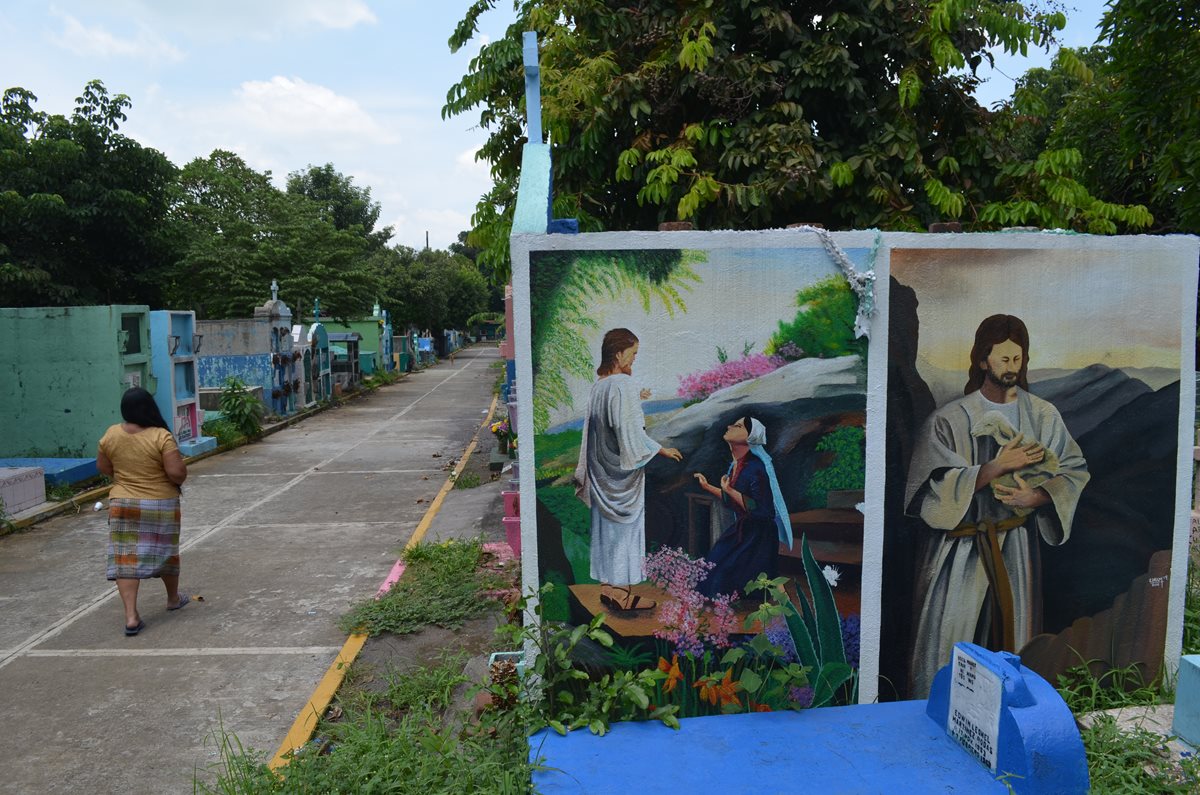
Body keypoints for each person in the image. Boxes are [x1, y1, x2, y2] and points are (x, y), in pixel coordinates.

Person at [904, 314, 1089, 696]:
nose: (1012, 368)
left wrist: (1036, 497)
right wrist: (995, 467)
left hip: (1015, 547)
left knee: (1014, 643)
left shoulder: (1041, 415)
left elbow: (1073, 470)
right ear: (983, 359)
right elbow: (930, 490)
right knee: (947, 647)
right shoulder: (949, 419)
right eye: (1003, 359)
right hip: (959, 551)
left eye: (1017, 359)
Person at [574, 328, 683, 611]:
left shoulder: (599, 386)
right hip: (621, 479)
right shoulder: (622, 385)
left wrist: (637, 398)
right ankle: (622, 595)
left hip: (601, 474)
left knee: (606, 532)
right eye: (633, 354)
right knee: (624, 531)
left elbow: (602, 428)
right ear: (619, 353)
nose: (634, 360)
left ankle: (608, 589)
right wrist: (661, 449)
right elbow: (629, 431)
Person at [96, 387, 190, 636]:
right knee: (166, 552)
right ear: (150, 408)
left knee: (126, 560)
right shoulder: (161, 436)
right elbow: (176, 473)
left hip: (122, 504)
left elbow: (104, 467)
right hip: (160, 503)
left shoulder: (111, 434)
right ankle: (172, 599)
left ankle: (130, 617)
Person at [694, 416, 794, 599]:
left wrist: (729, 490)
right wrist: (708, 487)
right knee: (708, 576)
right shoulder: (737, 465)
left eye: (738, 426)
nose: (729, 426)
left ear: (749, 438)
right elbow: (733, 502)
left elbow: (763, 510)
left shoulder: (755, 468)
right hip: (745, 529)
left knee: (722, 583)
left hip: (759, 536)